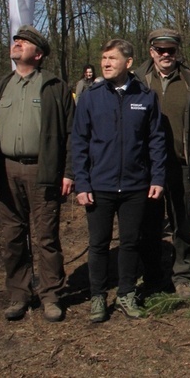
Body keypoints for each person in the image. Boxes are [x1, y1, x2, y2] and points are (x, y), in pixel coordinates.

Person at [0, 25, 74, 322]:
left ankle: (50, 295)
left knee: (46, 236)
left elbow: (71, 134)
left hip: (42, 171)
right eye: (16, 40)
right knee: (12, 236)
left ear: (38, 54)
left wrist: (68, 172)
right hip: (5, 170)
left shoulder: (54, 86)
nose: (17, 43)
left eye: (25, 42)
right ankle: (18, 294)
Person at [72, 39, 166, 322]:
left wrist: (157, 177)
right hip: (99, 185)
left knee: (130, 242)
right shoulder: (91, 96)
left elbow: (156, 141)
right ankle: (98, 296)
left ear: (128, 62)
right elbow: (79, 142)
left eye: (112, 58)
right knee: (98, 243)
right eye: (103, 58)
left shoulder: (146, 97)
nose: (106, 63)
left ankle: (125, 293)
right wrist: (82, 183)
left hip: (136, 185)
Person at [135, 28, 190, 299]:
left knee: (181, 221)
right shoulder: (137, 80)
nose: (166, 55)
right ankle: (152, 274)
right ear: (151, 51)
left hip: (180, 163)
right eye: (160, 50)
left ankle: (182, 275)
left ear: (178, 52)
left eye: (171, 50)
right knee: (149, 224)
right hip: (145, 166)